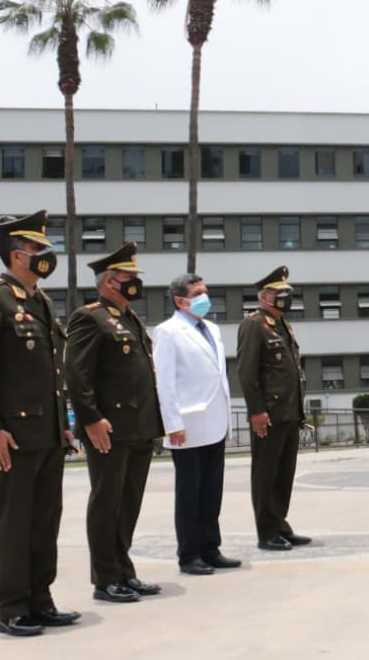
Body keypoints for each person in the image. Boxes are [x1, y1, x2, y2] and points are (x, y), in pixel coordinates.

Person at [0, 210, 78, 636]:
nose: (45, 255)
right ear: (17, 255)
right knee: (15, 522)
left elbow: (50, 371)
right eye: (36, 249)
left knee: (45, 520)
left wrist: (61, 425)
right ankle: (11, 607)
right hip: (10, 436)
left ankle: (40, 599)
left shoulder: (41, 301)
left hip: (46, 435)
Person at [65, 243, 164, 603]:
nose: (136, 283)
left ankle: (124, 570)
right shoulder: (89, 317)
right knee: (107, 502)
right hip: (108, 428)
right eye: (129, 278)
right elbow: (77, 375)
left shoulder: (131, 319)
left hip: (139, 426)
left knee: (129, 502)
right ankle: (105, 579)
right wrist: (90, 419)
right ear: (109, 282)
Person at [153, 273, 239, 576]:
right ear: (180, 300)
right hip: (187, 426)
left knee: (211, 491)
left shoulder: (212, 329)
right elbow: (165, 382)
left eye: (205, 291)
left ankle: (210, 548)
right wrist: (171, 423)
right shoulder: (168, 332)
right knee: (190, 493)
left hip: (214, 421)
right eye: (197, 293)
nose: (204, 297)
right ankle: (189, 554)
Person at [237, 265, 312, 552]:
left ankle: (280, 523)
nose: (287, 298)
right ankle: (266, 531)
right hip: (268, 414)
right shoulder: (254, 324)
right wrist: (256, 410)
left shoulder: (281, 324)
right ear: (266, 296)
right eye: (282, 293)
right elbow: (247, 372)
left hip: (289, 413)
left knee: (284, 474)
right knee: (266, 474)